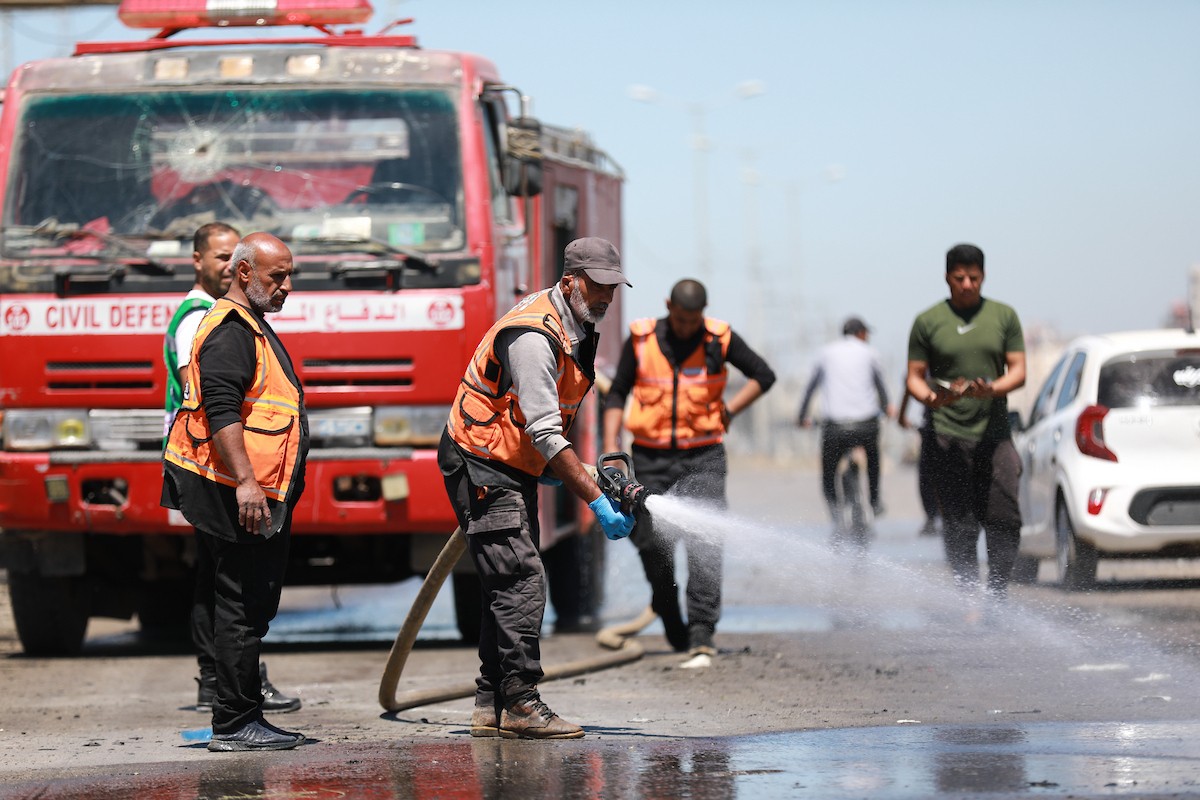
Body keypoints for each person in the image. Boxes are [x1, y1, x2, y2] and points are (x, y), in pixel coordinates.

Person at [439, 236, 635, 740]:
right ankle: (522, 703)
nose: (606, 298)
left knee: (502, 581)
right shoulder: (533, 336)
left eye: (612, 288)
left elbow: (541, 425)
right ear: (570, 281)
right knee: (522, 580)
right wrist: (594, 499)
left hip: (506, 459)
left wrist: (564, 469)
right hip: (482, 461)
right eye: (597, 287)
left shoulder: (575, 324)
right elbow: (545, 432)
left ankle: (492, 701)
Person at [162, 233, 309, 752]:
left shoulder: (250, 325)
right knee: (240, 608)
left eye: (290, 275)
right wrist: (248, 483)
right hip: (234, 490)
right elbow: (220, 411)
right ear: (244, 274)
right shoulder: (230, 331)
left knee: (248, 606)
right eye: (278, 276)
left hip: (250, 490)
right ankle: (233, 721)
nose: (287, 286)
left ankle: (245, 715)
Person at [601, 278, 776, 668]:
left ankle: (701, 633)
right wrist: (612, 451)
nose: (686, 327)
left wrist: (731, 411)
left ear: (704, 312)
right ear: (669, 307)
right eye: (680, 320)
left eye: (693, 320)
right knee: (650, 545)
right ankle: (670, 616)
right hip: (650, 459)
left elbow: (764, 375)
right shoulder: (642, 340)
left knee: (706, 543)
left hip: (704, 458)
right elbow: (617, 393)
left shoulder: (719, 339)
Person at [905, 243, 1025, 598]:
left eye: (974, 278)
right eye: (960, 278)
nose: (967, 285)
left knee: (1004, 517)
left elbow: (1018, 370)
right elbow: (913, 376)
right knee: (960, 523)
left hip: (995, 434)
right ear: (947, 278)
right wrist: (932, 397)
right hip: (947, 434)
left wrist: (993, 389)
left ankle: (998, 594)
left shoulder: (1004, 316)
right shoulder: (928, 322)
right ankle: (969, 598)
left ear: (983, 277)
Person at [797, 316, 892, 526]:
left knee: (828, 472)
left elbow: (810, 388)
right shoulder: (870, 353)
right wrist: (887, 408)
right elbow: (881, 387)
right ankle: (875, 501)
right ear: (861, 333)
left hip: (835, 426)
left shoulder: (825, 353)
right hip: (866, 425)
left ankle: (835, 513)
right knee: (873, 460)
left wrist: (801, 416)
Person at [897, 386, 942, 537]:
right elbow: (911, 381)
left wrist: (902, 414)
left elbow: (910, 383)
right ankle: (932, 516)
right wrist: (902, 414)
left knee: (929, 472)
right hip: (932, 421)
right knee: (927, 472)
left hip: (940, 421)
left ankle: (938, 516)